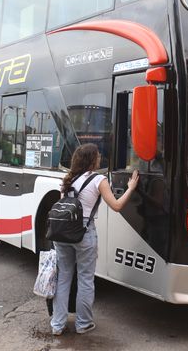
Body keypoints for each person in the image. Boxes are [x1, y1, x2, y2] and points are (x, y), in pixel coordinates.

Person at [51, 143, 139, 336]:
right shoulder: (98, 180)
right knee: (85, 279)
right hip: (83, 233)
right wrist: (130, 188)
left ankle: (57, 325)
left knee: (63, 277)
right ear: (92, 160)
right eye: (98, 156)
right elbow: (116, 206)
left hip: (62, 233)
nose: (100, 158)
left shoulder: (68, 179)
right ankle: (83, 324)